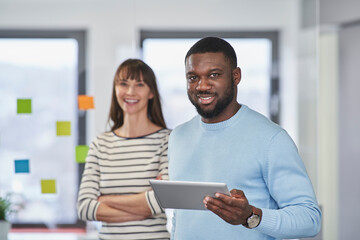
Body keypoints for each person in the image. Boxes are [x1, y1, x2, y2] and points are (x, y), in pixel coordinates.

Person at [168, 37, 322, 239]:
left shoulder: (271, 139)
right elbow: (181, 218)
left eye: (214, 75)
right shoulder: (178, 137)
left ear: (236, 76)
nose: (202, 85)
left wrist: (251, 216)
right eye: (193, 77)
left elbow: (310, 219)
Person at [77, 59, 171, 240]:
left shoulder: (167, 140)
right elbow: (84, 207)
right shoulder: (100, 144)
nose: (130, 92)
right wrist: (143, 204)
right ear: (115, 89)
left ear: (151, 92)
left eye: (140, 85)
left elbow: (162, 201)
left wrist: (105, 199)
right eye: (123, 84)